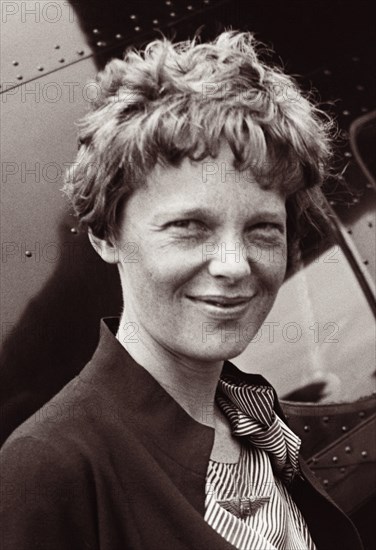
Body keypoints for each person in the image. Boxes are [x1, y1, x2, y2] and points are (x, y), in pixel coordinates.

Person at [0, 31, 363, 549]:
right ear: (106, 234)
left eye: (263, 229)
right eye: (190, 226)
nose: (235, 266)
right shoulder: (50, 469)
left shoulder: (253, 416)